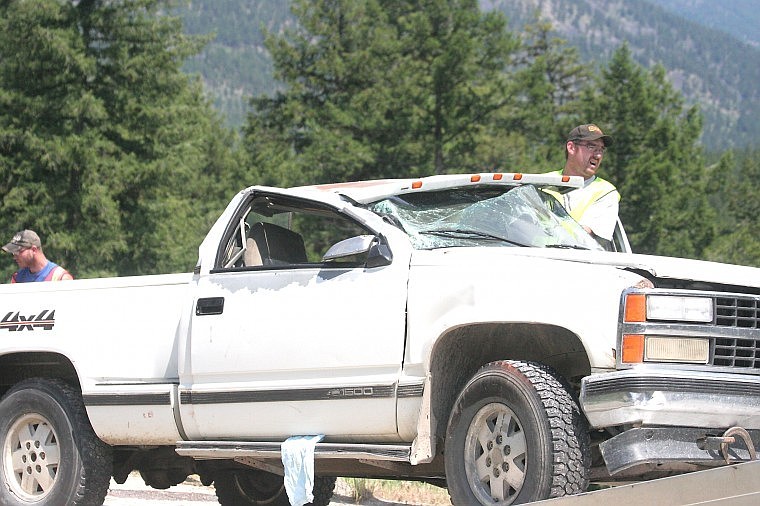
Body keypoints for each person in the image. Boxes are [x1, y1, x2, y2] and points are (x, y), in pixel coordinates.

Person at [547, 124, 620, 244]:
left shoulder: (605, 192)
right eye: (591, 146)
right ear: (571, 148)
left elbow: (583, 236)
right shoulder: (541, 182)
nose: (598, 155)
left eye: (601, 149)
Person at [2, 229, 73, 282]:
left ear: (33, 250)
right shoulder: (17, 278)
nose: (14, 257)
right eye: (13, 253)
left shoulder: (60, 278)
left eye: (18, 252)